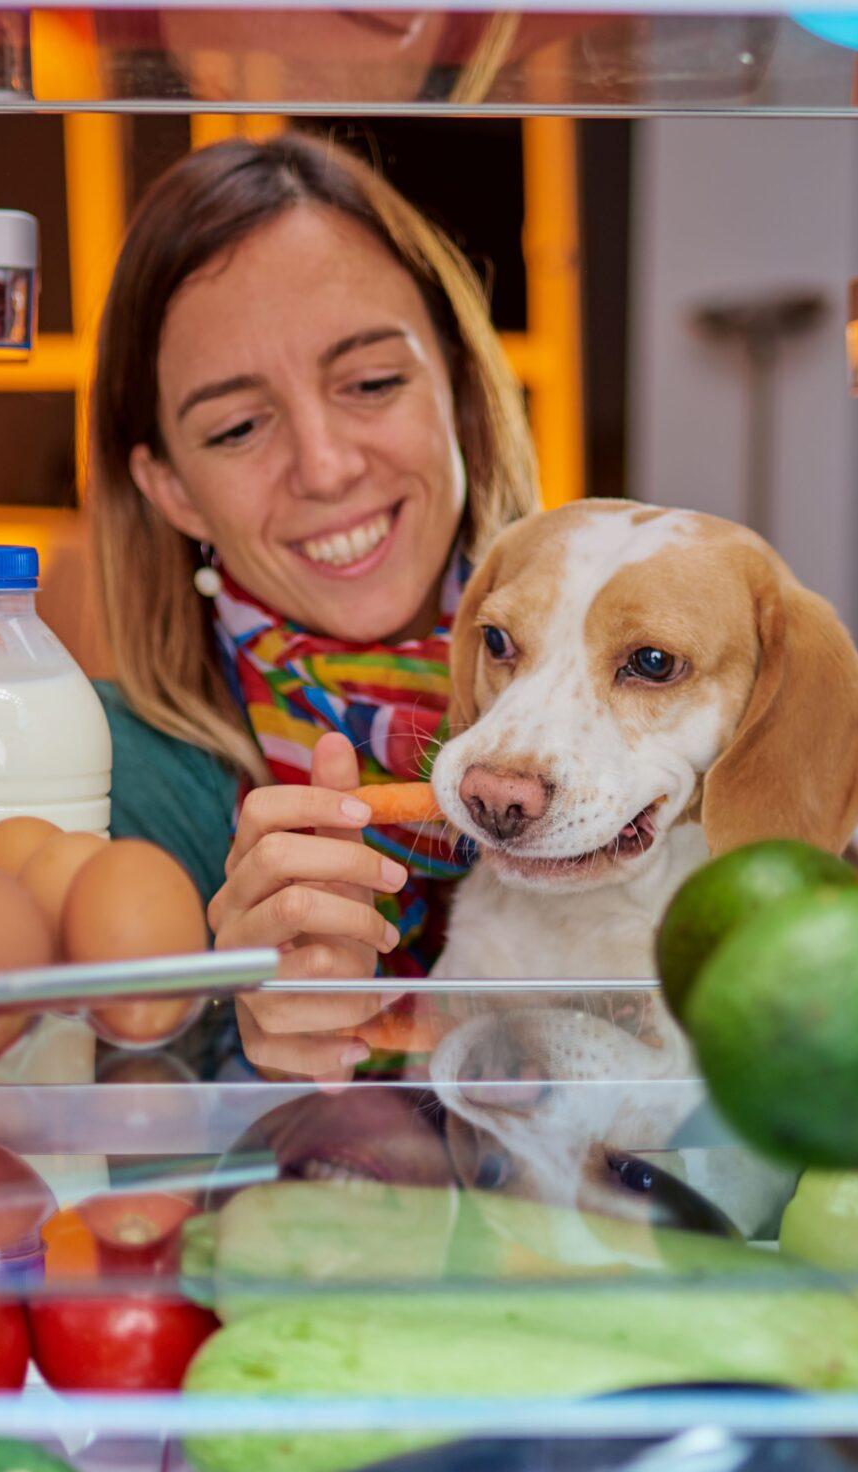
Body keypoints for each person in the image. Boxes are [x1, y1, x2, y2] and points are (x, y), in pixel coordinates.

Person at [87, 135, 538, 984]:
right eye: (237, 428)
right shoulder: (115, 778)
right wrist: (227, 1021)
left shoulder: (645, 679)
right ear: (174, 489)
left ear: (458, 384)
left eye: (370, 382)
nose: (326, 467)